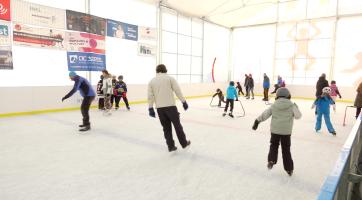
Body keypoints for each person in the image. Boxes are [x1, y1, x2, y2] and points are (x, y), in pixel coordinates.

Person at [252, 88, 302, 176]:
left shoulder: (274, 105)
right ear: (288, 96)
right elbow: (298, 116)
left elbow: (265, 114)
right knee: (286, 150)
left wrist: (257, 121)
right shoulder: (292, 105)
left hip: (275, 131)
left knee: (274, 145)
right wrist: (296, 107)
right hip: (286, 132)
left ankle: (271, 160)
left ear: (277, 96)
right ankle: (289, 169)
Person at [148, 64, 191, 152]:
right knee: (177, 126)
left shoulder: (152, 81)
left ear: (157, 71)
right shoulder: (170, 78)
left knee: (166, 128)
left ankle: (170, 146)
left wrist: (150, 108)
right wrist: (183, 101)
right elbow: (177, 90)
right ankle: (184, 143)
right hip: (171, 107)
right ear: (165, 70)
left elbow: (150, 96)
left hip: (160, 109)